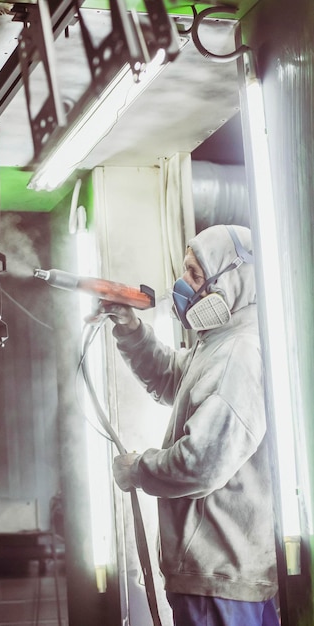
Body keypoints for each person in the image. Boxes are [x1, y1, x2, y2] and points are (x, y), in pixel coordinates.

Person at [104, 224, 279, 626]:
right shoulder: (219, 342)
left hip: (220, 576)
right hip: (216, 576)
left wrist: (139, 470)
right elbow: (171, 377)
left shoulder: (240, 352)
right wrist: (130, 329)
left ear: (232, 276)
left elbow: (202, 462)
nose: (182, 286)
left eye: (195, 275)